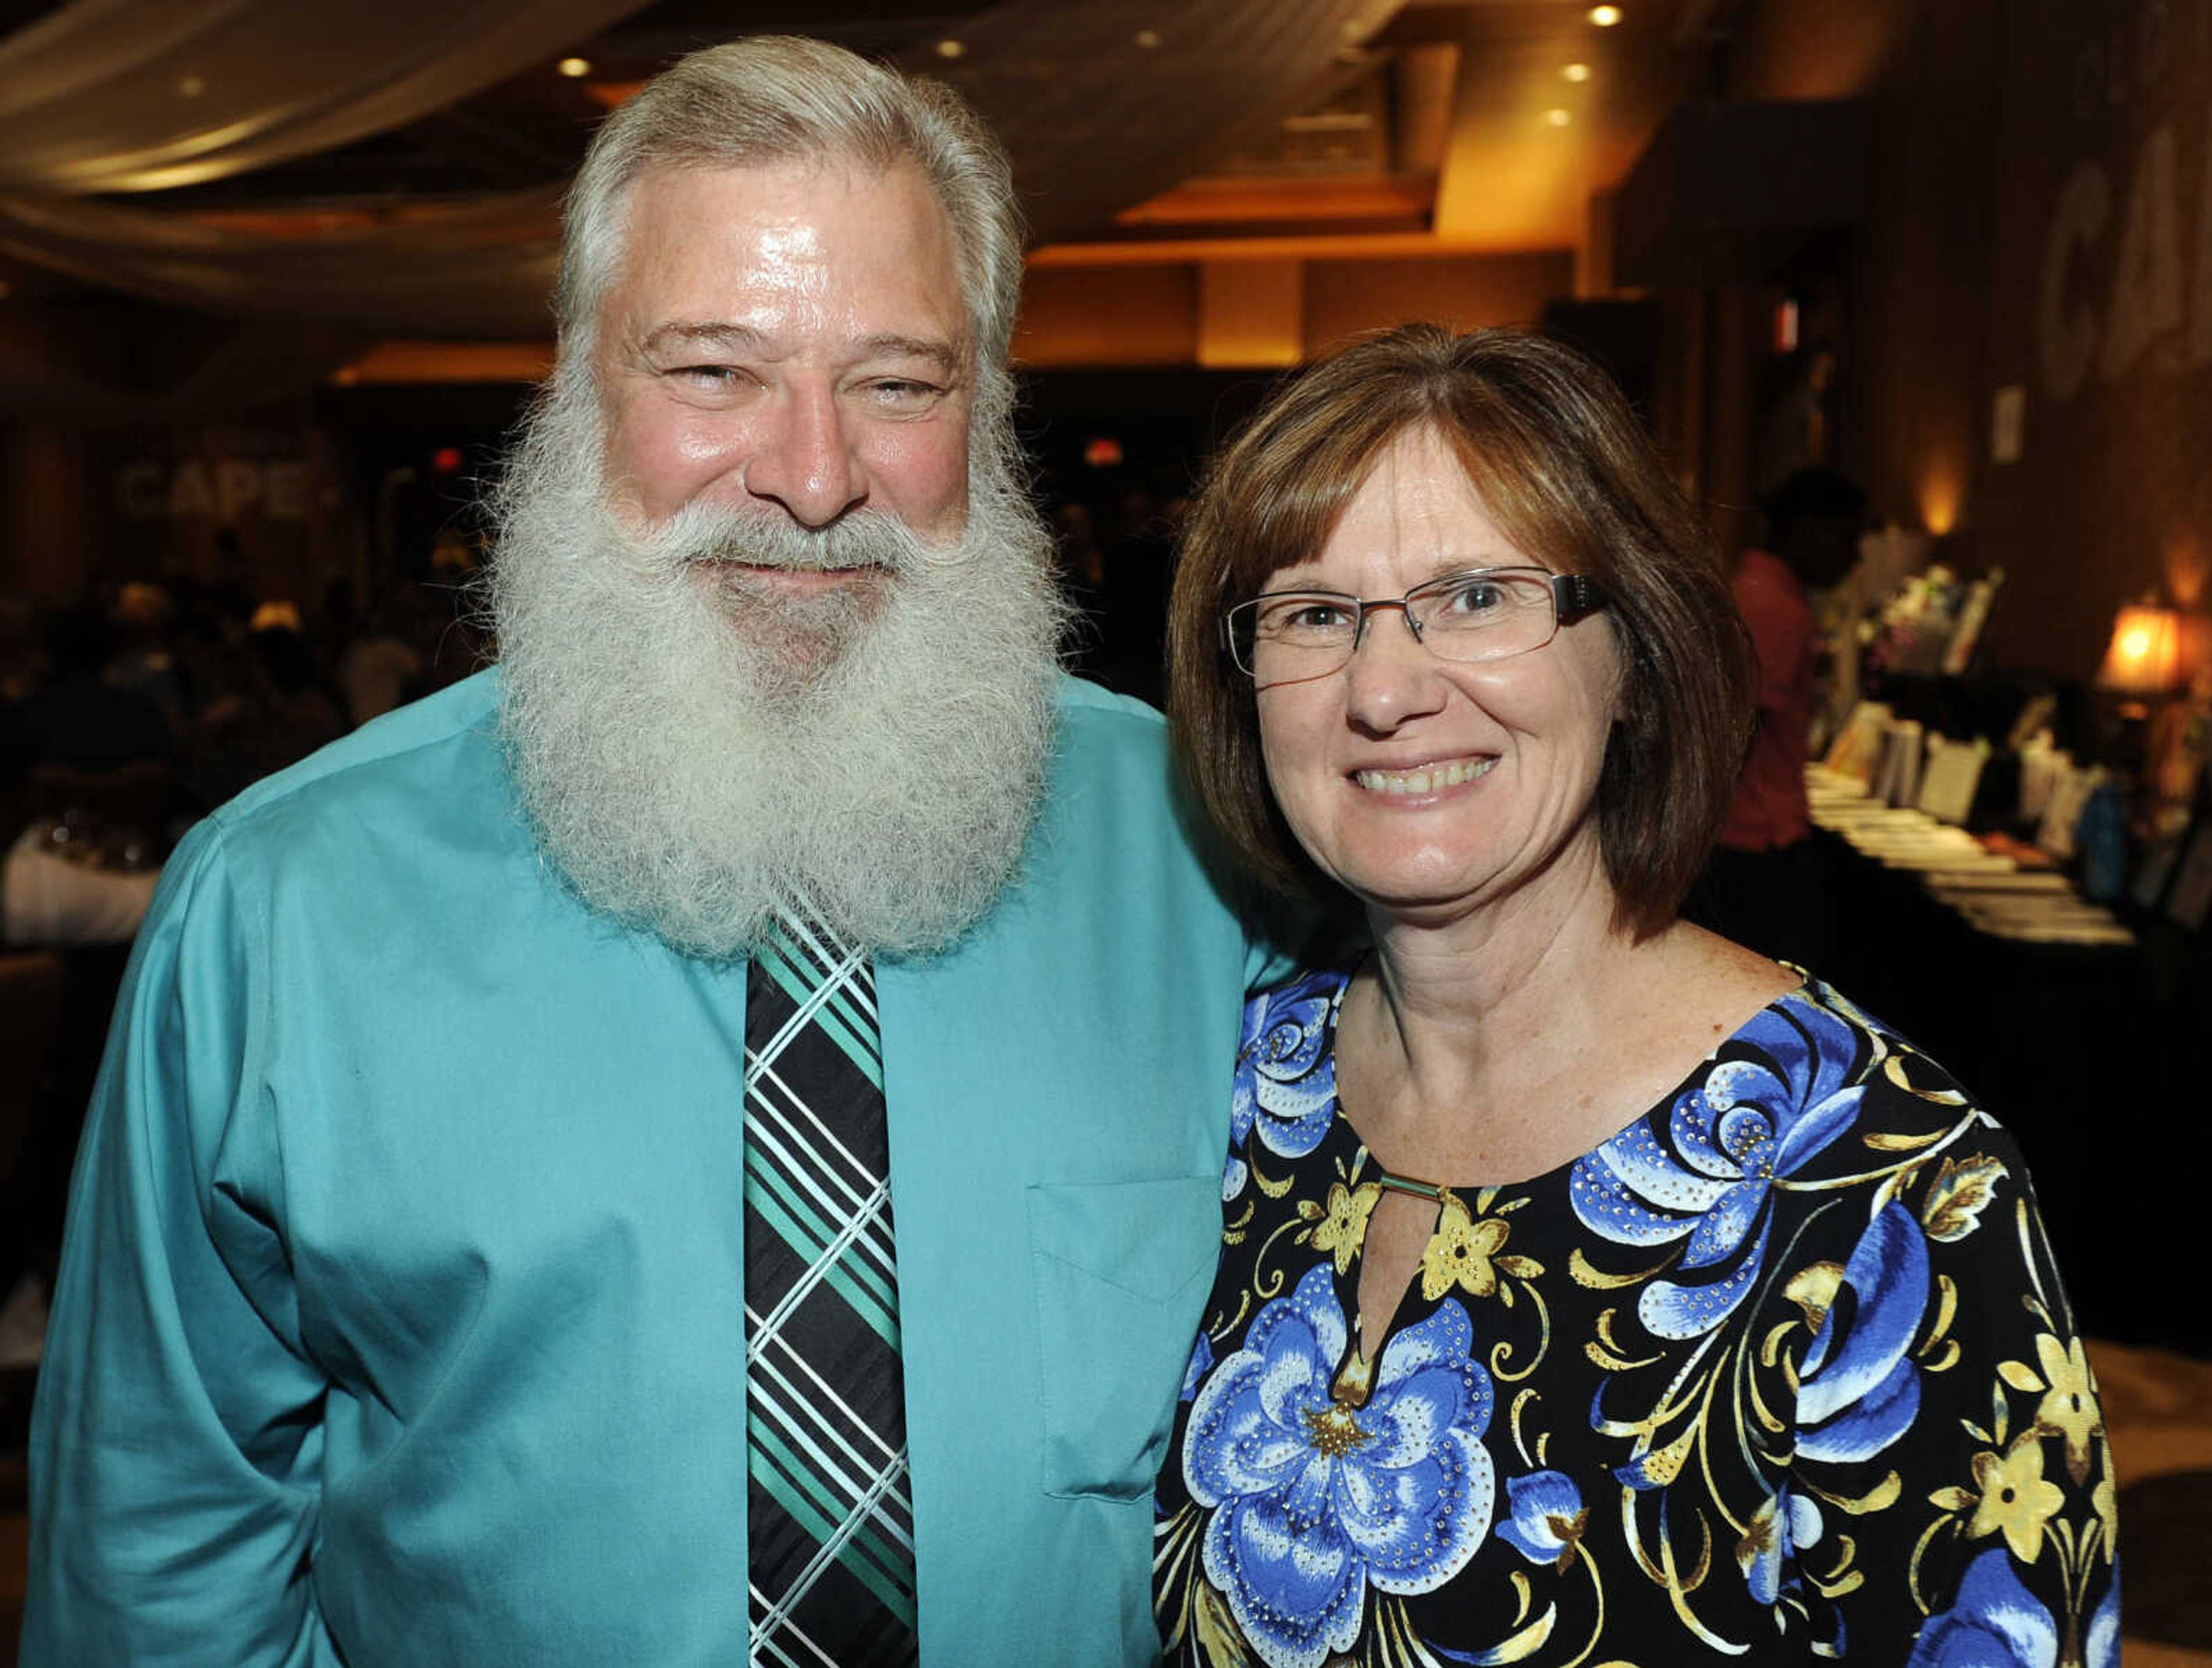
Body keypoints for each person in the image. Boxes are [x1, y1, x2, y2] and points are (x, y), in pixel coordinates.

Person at [26, 38, 1261, 1667]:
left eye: (899, 383)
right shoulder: (282, 905)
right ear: (575, 378)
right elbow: (161, 1545)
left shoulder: (1223, 859)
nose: (815, 479)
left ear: (992, 402)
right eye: (713, 372)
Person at [1154, 326, 2118, 1666]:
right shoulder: (1238, 1089)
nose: (1381, 690)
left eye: (1479, 594)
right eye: (1313, 614)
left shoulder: (1881, 1192)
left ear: (1637, 657)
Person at [1686, 465, 1867, 970]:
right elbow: (1741, 728)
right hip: (1755, 839)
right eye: (1847, 539)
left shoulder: (1745, 585)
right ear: (1809, 528)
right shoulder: (1779, 609)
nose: (1853, 558)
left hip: (1732, 836)